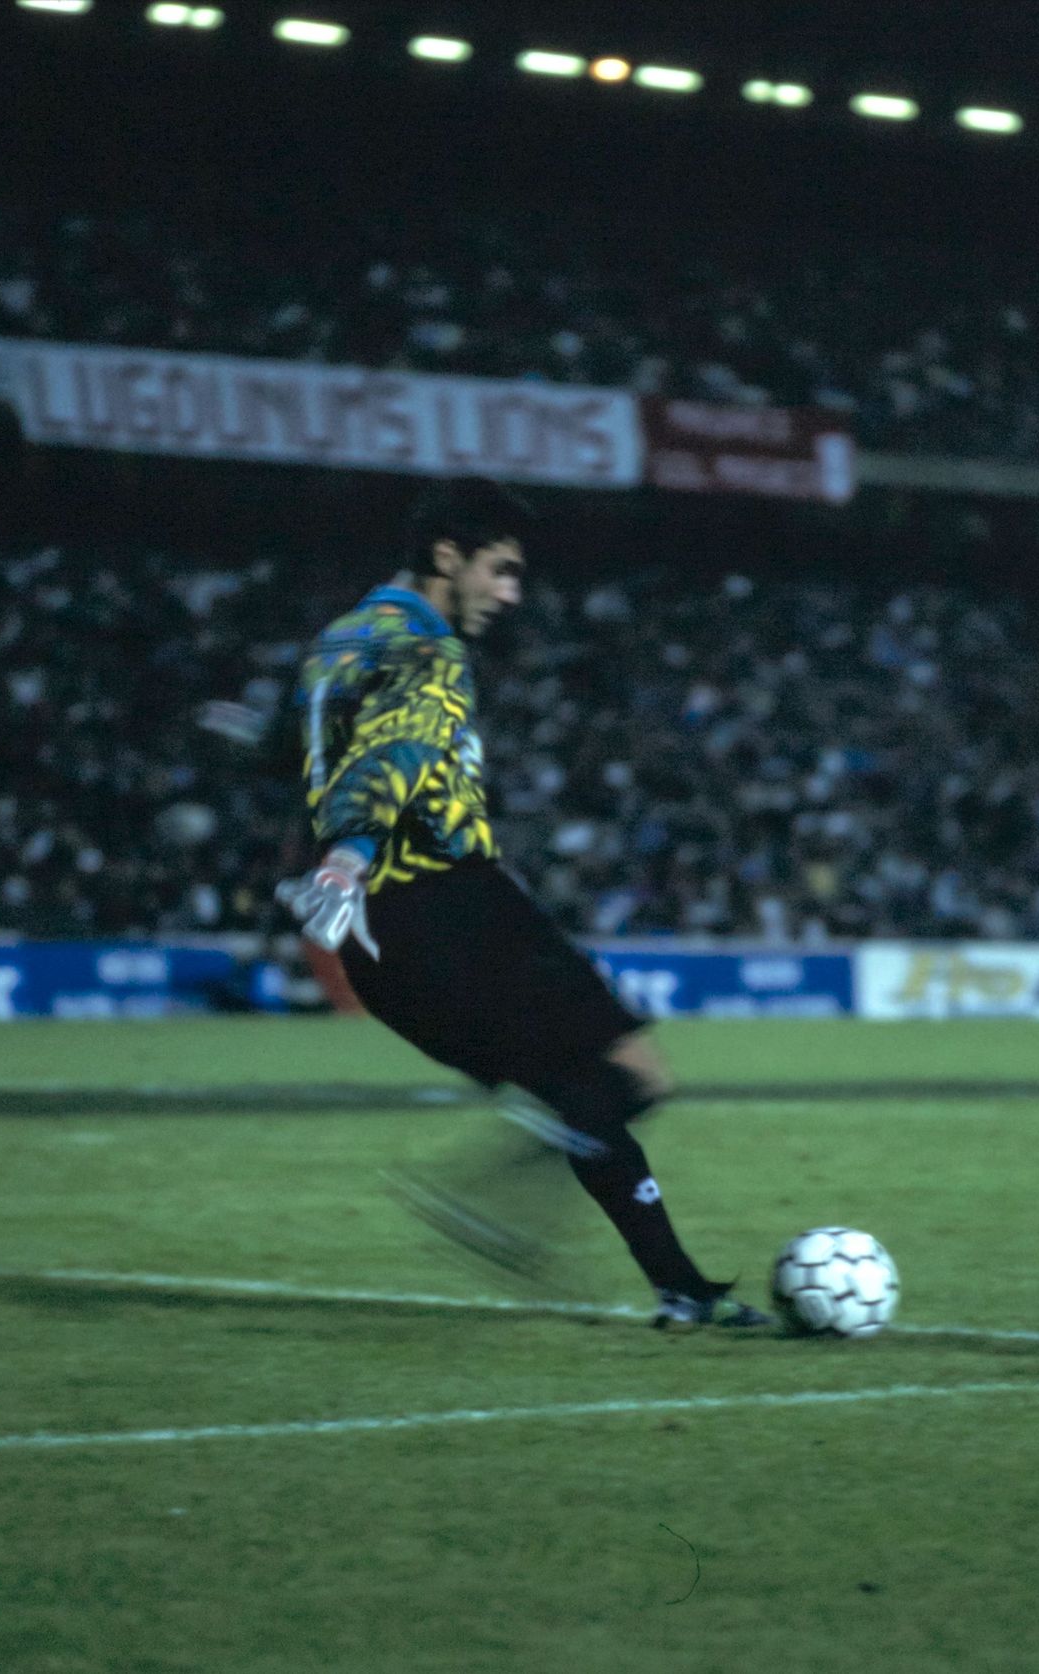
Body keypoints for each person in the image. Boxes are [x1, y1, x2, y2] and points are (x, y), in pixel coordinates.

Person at [276, 480, 771, 1329]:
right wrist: (349, 856)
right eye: (500, 571)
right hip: (448, 899)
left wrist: (322, 849)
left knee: (581, 1091)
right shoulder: (428, 650)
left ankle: (682, 1291)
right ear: (446, 558)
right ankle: (492, 1195)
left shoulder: (340, 641)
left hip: (376, 941)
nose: (511, 594)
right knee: (632, 1074)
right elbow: (391, 754)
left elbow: (309, 749)